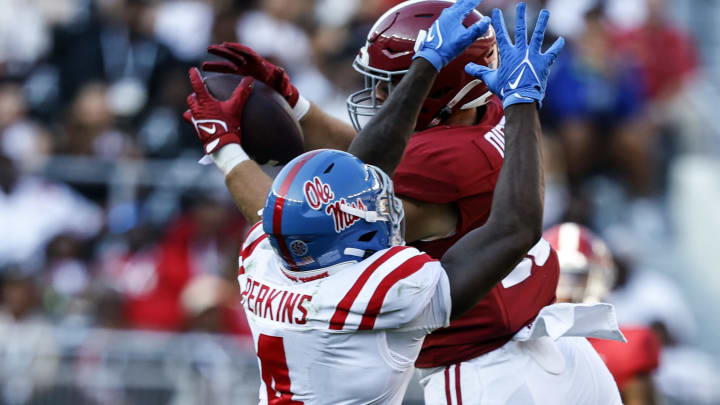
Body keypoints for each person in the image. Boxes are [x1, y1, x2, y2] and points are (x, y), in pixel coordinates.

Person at [185, 2, 623, 404]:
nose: (378, 98)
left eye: (388, 86)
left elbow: (327, 204)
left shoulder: (431, 172)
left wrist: (224, 145)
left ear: (438, 91)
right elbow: (354, 173)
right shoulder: (488, 110)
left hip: (481, 369)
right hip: (557, 346)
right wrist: (294, 103)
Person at [545, 222, 661, 405]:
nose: (565, 289)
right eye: (558, 275)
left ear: (599, 277)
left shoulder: (626, 348)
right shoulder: (515, 341)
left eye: (575, 276)